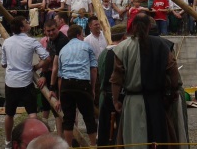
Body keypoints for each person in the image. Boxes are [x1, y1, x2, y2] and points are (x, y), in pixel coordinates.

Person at [111, 13, 185, 147]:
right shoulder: (162, 45)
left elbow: (116, 79)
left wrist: (116, 100)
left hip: (133, 102)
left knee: (134, 141)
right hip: (156, 102)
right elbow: (173, 71)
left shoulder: (122, 48)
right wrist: (173, 92)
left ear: (133, 27)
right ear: (149, 26)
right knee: (158, 140)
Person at [1, 16, 51, 149]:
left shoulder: (7, 42)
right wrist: (37, 66)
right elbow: (46, 57)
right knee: (32, 114)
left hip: (11, 81)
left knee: (9, 114)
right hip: (26, 81)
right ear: (22, 28)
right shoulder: (31, 42)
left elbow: (3, 64)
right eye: (26, 23)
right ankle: (33, 143)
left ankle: (7, 142)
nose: (29, 24)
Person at [52, 24, 97, 147]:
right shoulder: (87, 46)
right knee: (89, 117)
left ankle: (69, 146)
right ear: (78, 35)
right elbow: (93, 69)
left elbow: (60, 77)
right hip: (82, 83)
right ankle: (93, 145)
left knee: (68, 119)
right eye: (82, 34)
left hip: (66, 85)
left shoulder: (63, 50)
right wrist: (92, 88)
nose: (83, 37)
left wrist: (60, 97)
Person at [96, 25, 126, 147]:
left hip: (104, 96)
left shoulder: (103, 53)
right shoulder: (119, 53)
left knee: (105, 131)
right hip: (116, 97)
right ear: (124, 37)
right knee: (116, 134)